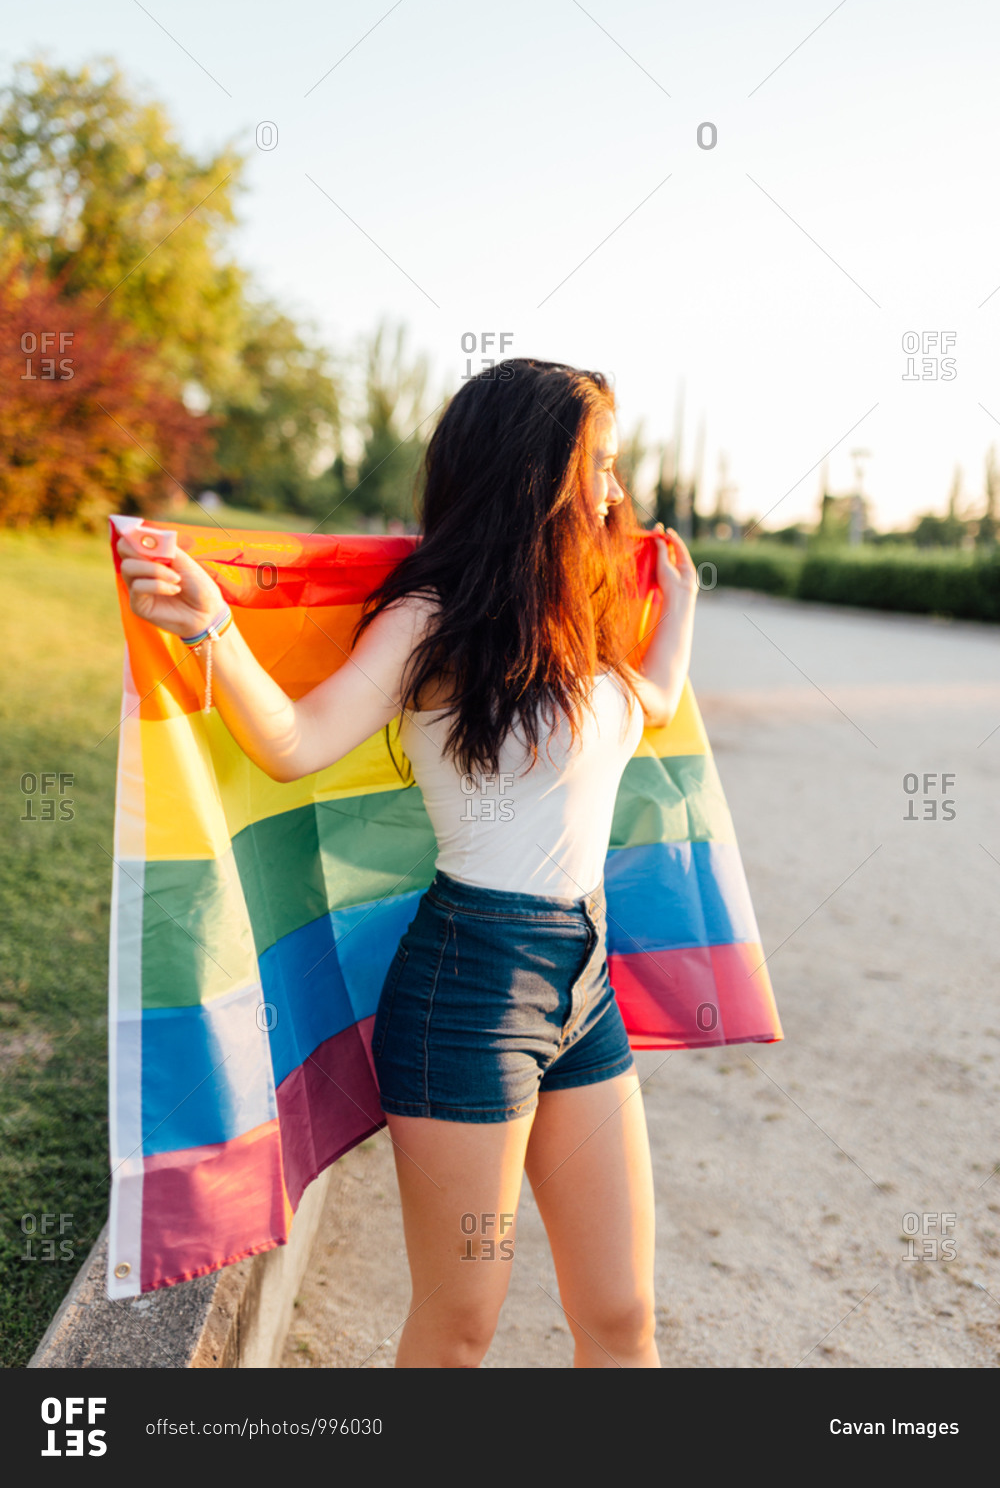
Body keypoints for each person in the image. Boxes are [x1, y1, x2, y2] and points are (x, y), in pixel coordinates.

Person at [117, 357, 699, 1369]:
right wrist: (213, 625)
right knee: (460, 1324)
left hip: (585, 982)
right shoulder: (429, 621)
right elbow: (296, 741)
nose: (613, 492)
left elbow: (643, 707)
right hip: (469, 988)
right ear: (532, 472)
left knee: (619, 1316)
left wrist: (678, 614)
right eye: (595, 465)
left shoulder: (582, 620)